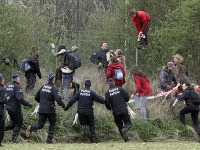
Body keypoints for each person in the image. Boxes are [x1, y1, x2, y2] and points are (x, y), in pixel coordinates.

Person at [26, 73, 65, 144]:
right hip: (50, 109)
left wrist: (42, 102)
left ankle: (32, 127)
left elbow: (36, 97)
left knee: (40, 124)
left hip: (42, 108)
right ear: (53, 80)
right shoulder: (54, 88)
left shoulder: (42, 87)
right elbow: (59, 100)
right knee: (52, 124)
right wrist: (63, 105)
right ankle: (49, 140)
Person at [4, 73, 32, 143]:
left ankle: (1, 128)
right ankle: (13, 140)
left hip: (9, 108)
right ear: (18, 78)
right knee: (19, 123)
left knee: (13, 124)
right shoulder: (17, 87)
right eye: (19, 77)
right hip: (15, 109)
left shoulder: (8, 86)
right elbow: (19, 99)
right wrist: (28, 104)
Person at [0, 73, 7, 147]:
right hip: (0, 111)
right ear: (1, 80)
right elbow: (2, 100)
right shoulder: (2, 89)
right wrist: (6, 99)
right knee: (1, 127)